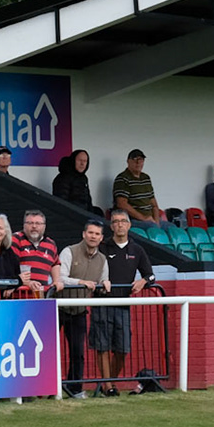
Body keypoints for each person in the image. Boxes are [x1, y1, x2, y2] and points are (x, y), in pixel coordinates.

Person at [91, 209, 154, 396]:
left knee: (123, 348)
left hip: (123, 305)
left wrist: (143, 281)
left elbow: (150, 274)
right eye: (115, 221)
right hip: (101, 304)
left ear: (129, 225)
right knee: (102, 347)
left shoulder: (137, 250)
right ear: (111, 226)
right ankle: (108, 386)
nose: (119, 224)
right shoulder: (102, 247)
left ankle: (107, 384)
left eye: (123, 221)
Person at [56, 217, 108, 397]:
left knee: (78, 352)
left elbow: (103, 280)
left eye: (97, 234)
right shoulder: (69, 251)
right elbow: (60, 277)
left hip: (79, 311)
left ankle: (74, 389)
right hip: (57, 308)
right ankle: (43, 388)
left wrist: (105, 283)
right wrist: (81, 282)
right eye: (91, 233)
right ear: (84, 234)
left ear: (101, 238)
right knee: (46, 350)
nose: (94, 236)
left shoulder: (102, 259)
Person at [112, 148, 165, 225]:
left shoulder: (146, 178)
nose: (138, 162)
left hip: (151, 220)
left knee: (174, 229)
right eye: (134, 159)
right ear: (128, 161)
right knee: (154, 230)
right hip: (133, 220)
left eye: (141, 159)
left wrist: (157, 223)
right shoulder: (123, 178)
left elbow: (154, 206)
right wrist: (144, 218)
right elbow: (122, 204)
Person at [11, 210, 58, 293]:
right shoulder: (16, 239)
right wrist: (27, 283)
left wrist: (56, 281)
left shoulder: (51, 243)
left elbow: (56, 264)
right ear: (24, 225)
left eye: (38, 223)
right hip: (20, 296)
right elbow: (10, 265)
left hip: (42, 295)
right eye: (30, 223)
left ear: (44, 226)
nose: (34, 226)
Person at [53, 150, 96, 215]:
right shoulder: (63, 178)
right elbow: (62, 204)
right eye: (80, 160)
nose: (82, 164)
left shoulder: (83, 178)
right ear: (73, 161)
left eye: (85, 161)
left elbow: (88, 202)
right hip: (70, 218)